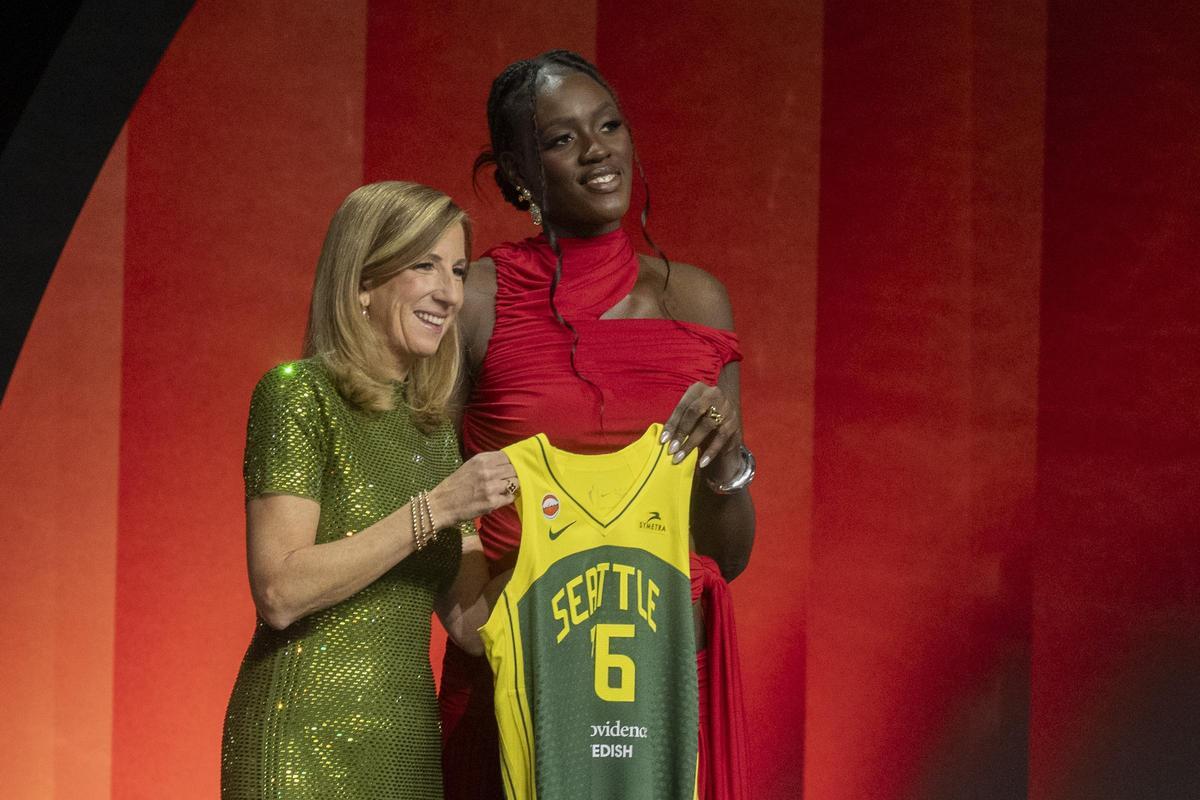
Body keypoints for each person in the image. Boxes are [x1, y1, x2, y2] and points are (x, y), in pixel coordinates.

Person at [439, 51, 755, 799]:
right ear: (517, 172)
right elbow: (426, 480)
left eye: (609, 125)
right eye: (561, 139)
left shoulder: (699, 301)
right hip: (521, 669)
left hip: (666, 677)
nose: (597, 149)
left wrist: (727, 463)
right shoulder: (477, 300)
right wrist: (465, 603)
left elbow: (727, 554)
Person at [221, 181, 520, 800]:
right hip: (300, 740)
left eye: (459, 271)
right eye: (424, 266)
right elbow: (280, 590)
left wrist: (574, 530)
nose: (449, 292)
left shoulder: (435, 435)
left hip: (407, 745)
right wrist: (437, 508)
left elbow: (470, 624)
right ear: (361, 282)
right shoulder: (297, 394)